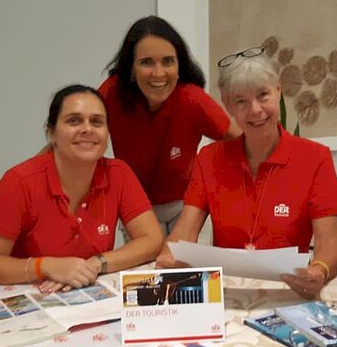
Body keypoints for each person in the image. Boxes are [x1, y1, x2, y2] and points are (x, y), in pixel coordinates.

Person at [156, 50, 337, 299]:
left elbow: (329, 242)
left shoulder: (315, 157)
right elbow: (186, 230)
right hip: (226, 293)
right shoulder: (210, 158)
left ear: (278, 90)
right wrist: (169, 256)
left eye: (263, 95)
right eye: (241, 101)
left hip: (287, 291)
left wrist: (319, 270)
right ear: (228, 106)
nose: (255, 110)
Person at [0, 85, 163, 291]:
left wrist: (96, 263)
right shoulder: (19, 181)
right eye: (74, 121)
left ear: (107, 134)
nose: (87, 129)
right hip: (33, 295)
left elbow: (152, 240)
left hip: (87, 292)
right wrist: (46, 267)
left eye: (97, 122)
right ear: (52, 133)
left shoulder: (118, 173)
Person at [99, 15, 242, 235]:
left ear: (179, 65)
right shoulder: (112, 93)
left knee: (184, 258)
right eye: (146, 62)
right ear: (131, 68)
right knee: (149, 258)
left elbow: (240, 139)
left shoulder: (192, 99)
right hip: (137, 207)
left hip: (186, 206)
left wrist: (222, 185)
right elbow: (75, 135)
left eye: (167, 61)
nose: (158, 73)